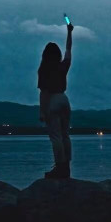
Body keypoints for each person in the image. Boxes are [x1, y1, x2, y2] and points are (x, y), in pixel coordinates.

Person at [38, 22, 73, 179]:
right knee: (65, 135)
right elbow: (68, 50)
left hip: (53, 100)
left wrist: (42, 111)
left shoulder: (44, 69)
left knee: (56, 137)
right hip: (64, 99)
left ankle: (59, 168)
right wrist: (69, 32)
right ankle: (66, 167)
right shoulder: (62, 66)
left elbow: (44, 93)